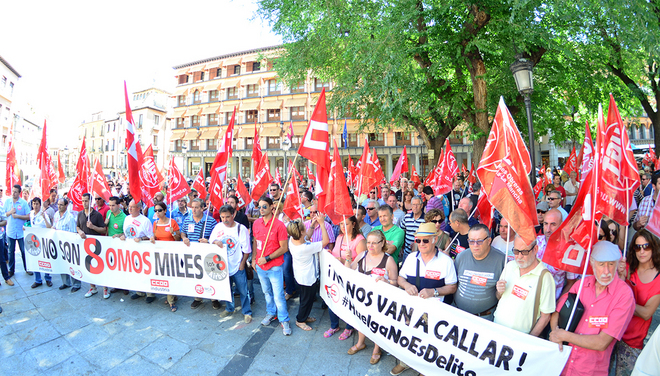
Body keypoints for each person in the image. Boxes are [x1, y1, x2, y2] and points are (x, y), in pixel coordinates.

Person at [549, 241, 635, 376]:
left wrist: (565, 336)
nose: (606, 271)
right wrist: (555, 332)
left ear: (617, 264)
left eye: (611, 264)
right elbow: (557, 312)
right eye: (601, 264)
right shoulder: (581, 284)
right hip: (563, 365)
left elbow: (602, 342)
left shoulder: (624, 295)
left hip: (590, 370)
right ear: (592, 263)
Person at [393, 223, 457, 375]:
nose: (421, 244)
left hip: (436, 312)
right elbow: (400, 278)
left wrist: (434, 291)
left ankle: (426, 368)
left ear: (435, 239)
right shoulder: (410, 258)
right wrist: (406, 285)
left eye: (425, 240)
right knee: (409, 336)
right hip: (412, 308)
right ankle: (406, 362)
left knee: (432, 341)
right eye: (418, 240)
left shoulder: (445, 261)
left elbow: (452, 287)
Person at [347, 230, 399, 366]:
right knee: (361, 319)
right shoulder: (362, 255)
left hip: (379, 301)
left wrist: (387, 282)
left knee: (376, 323)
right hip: (361, 297)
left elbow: (396, 282)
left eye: (374, 243)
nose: (370, 246)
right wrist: (347, 259)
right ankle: (360, 343)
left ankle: (377, 349)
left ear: (382, 243)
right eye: (368, 242)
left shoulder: (388, 260)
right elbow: (348, 272)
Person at [613, 230, 660, 375]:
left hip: (632, 341)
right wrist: (618, 277)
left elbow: (646, 314)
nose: (642, 251)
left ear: (654, 247)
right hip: (613, 331)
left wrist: (624, 298)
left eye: (646, 246)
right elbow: (612, 294)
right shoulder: (626, 267)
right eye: (637, 247)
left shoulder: (658, 278)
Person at [494, 234, 555, 336]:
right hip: (497, 329)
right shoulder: (510, 266)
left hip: (520, 338)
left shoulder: (545, 277)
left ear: (535, 250)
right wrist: (499, 291)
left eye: (524, 252)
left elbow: (546, 317)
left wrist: (529, 341)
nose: (519, 257)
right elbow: (499, 297)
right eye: (516, 251)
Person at [252, 197, 291, 335]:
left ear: (271, 207)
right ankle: (271, 313)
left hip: (274, 266)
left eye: (264, 207)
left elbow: (284, 248)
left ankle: (284, 319)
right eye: (259, 206)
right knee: (267, 293)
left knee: (279, 295)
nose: (261, 209)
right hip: (260, 266)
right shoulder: (256, 223)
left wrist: (267, 258)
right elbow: (255, 243)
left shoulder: (279, 225)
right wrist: (253, 259)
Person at [208, 205, 252, 322]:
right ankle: (229, 308)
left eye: (227, 217)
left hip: (237, 265)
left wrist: (242, 264)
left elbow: (247, 250)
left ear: (233, 215)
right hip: (222, 266)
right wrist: (216, 241)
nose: (225, 220)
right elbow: (211, 240)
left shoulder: (241, 229)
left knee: (243, 290)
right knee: (227, 289)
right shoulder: (218, 227)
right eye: (222, 217)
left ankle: (247, 312)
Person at [325, 215, 365, 340]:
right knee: (333, 298)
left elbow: (362, 262)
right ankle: (334, 325)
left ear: (354, 224)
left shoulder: (359, 240)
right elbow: (336, 253)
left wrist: (344, 260)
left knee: (348, 302)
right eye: (341, 224)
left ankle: (349, 327)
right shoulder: (340, 237)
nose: (343, 227)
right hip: (336, 275)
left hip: (350, 277)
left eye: (346, 224)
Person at [454, 224, 506, 321]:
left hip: (484, 318)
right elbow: (454, 284)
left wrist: (500, 292)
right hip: (458, 315)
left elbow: (501, 295)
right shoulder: (461, 257)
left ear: (489, 241)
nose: (475, 245)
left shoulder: (501, 260)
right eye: (471, 241)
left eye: (479, 241)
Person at [287, 215, 329, 331]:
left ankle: (304, 316)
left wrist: (311, 225)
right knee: (306, 300)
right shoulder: (304, 248)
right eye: (304, 228)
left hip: (302, 276)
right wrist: (321, 224)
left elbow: (306, 237)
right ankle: (300, 320)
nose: (306, 229)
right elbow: (326, 241)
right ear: (300, 232)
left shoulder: (292, 240)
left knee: (305, 299)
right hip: (308, 278)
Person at [182, 198, 218, 309]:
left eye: (196, 207)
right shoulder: (187, 220)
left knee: (209, 276)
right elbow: (183, 232)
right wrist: (184, 238)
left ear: (203, 208)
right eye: (192, 207)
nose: (194, 210)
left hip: (207, 254)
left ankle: (214, 298)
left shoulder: (211, 221)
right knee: (195, 276)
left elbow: (216, 237)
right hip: (193, 254)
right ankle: (198, 298)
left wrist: (208, 241)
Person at [148, 202, 180, 311]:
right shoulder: (155, 224)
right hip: (160, 254)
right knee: (164, 276)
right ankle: (171, 295)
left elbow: (178, 239)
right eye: (155, 210)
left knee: (170, 276)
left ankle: (171, 301)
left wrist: (174, 233)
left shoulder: (172, 222)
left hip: (171, 254)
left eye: (160, 210)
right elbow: (156, 237)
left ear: (165, 211)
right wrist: (152, 239)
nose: (157, 212)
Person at [536, 209, 576, 299]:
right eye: (546, 224)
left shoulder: (569, 251)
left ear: (561, 225)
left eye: (553, 224)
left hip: (551, 302)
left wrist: (558, 306)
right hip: (531, 299)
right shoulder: (535, 243)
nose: (548, 229)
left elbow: (571, 282)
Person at [120, 199, 154, 302]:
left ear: (139, 208)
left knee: (146, 272)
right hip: (131, 251)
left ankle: (150, 294)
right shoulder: (127, 218)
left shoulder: (145, 221)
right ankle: (140, 291)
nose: (129, 208)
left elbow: (151, 237)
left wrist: (141, 239)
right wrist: (122, 236)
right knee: (136, 272)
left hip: (143, 252)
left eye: (132, 207)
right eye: (129, 206)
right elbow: (126, 233)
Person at [76, 193, 108, 298]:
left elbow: (103, 229)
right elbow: (77, 226)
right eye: (83, 201)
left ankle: (105, 288)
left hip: (96, 245)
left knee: (100, 266)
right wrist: (80, 231)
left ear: (90, 202)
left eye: (86, 201)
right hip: (85, 245)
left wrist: (93, 227)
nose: (84, 203)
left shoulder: (97, 215)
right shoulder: (80, 214)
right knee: (88, 267)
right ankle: (93, 288)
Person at [48, 198, 81, 292]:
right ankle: (66, 282)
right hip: (59, 243)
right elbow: (54, 225)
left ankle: (76, 284)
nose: (59, 206)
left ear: (66, 206)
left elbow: (72, 232)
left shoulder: (70, 217)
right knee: (61, 263)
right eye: (58, 204)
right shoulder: (56, 214)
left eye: (61, 205)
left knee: (71, 264)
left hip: (68, 244)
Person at [5, 184, 31, 278]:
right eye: (13, 191)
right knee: (10, 252)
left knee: (24, 251)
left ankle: (27, 268)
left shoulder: (23, 203)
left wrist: (18, 216)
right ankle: (11, 270)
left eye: (16, 192)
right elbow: (3, 215)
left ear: (19, 193)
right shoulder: (7, 202)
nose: (13, 193)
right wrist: (10, 212)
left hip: (21, 232)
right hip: (10, 231)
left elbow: (28, 216)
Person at [400, 197, 425, 264]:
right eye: (413, 204)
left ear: (421, 205)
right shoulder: (406, 217)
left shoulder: (426, 219)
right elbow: (401, 232)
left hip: (420, 253)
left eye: (417, 204)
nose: (415, 207)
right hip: (407, 252)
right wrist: (401, 246)